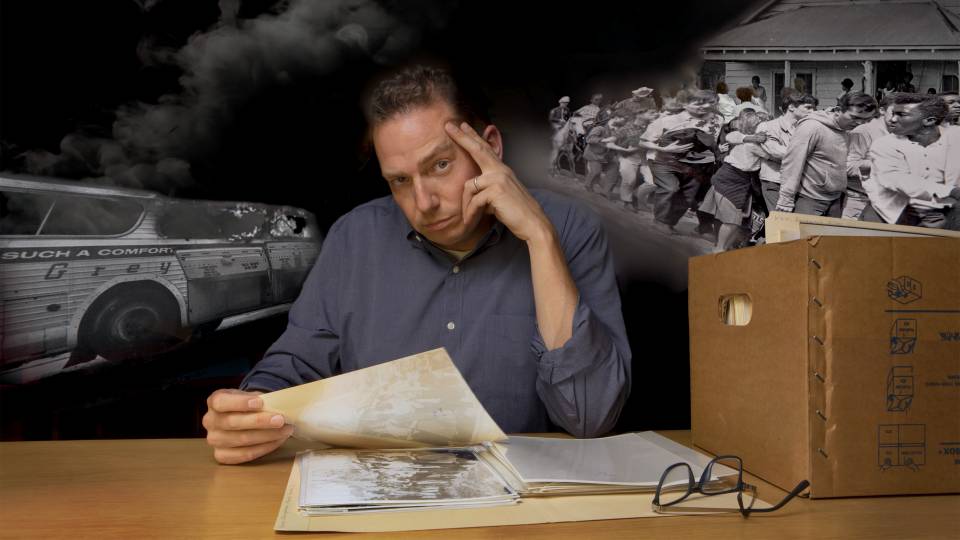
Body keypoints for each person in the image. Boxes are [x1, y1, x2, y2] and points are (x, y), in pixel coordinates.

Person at [203, 65, 632, 464]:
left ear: (491, 148)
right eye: (401, 181)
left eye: (440, 165)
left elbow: (591, 416)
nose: (424, 203)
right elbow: (294, 364)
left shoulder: (568, 228)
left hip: (515, 507)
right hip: (378, 492)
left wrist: (540, 240)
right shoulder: (355, 237)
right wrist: (249, 412)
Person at [861, 94, 960, 229]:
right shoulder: (884, 144)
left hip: (946, 213)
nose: (892, 119)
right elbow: (897, 179)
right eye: (893, 113)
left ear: (929, 121)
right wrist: (951, 191)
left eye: (901, 115)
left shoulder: (955, 137)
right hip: (892, 212)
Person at [775, 92, 878, 217]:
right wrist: (786, 199)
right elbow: (792, 163)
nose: (860, 123)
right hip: (809, 199)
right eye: (855, 117)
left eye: (866, 120)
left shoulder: (849, 131)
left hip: (836, 199)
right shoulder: (812, 127)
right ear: (839, 110)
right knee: (800, 236)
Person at [638, 89, 724, 235]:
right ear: (686, 104)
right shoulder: (667, 120)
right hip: (665, 160)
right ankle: (659, 220)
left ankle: (668, 222)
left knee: (688, 197)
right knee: (670, 188)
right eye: (698, 103)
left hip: (697, 164)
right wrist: (663, 148)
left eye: (710, 103)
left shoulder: (717, 119)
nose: (703, 107)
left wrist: (718, 147)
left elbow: (713, 139)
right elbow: (643, 142)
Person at [698, 110, 770, 251]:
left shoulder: (745, 138)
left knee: (735, 221)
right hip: (729, 179)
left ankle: (723, 247)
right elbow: (732, 136)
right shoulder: (749, 142)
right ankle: (718, 249)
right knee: (732, 220)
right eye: (762, 125)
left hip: (741, 182)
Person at [746, 92, 818, 213]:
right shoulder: (768, 126)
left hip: (798, 183)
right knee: (781, 221)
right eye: (808, 107)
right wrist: (804, 155)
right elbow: (780, 153)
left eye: (814, 108)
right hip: (774, 181)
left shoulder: (803, 128)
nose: (813, 111)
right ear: (791, 107)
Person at [843, 92, 896, 219]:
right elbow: (849, 166)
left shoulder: (900, 133)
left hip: (886, 200)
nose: (897, 118)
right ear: (882, 110)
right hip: (859, 200)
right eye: (894, 113)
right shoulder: (863, 131)